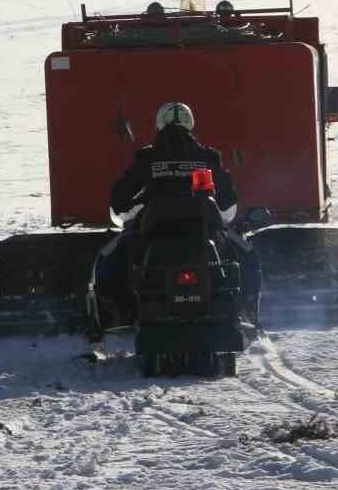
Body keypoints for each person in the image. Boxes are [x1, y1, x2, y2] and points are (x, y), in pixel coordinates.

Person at [87, 101, 237, 340]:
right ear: (191, 123)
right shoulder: (208, 156)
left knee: (108, 257)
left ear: (158, 124)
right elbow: (228, 203)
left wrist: (131, 209)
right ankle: (244, 312)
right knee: (238, 250)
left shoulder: (147, 156)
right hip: (202, 235)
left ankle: (116, 317)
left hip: (153, 235)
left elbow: (119, 200)